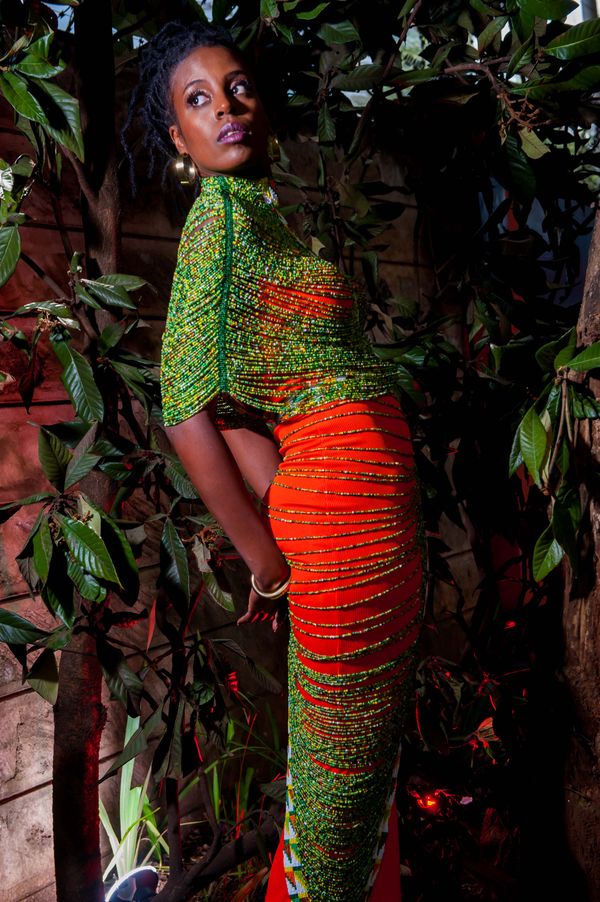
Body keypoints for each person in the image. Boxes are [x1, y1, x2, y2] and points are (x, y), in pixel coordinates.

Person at [125, 20, 424, 902]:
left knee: (359, 773)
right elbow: (186, 408)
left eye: (239, 88)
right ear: (178, 136)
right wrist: (266, 558)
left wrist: (281, 505)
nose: (227, 107)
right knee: (339, 789)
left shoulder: (256, 217)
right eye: (199, 100)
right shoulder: (217, 224)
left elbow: (236, 406)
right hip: (343, 528)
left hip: (360, 513)